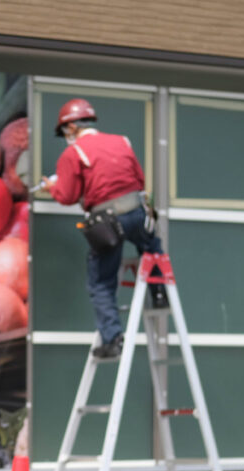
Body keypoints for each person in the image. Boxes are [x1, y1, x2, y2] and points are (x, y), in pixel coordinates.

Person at [41, 98, 166, 359]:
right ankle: (159, 292)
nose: (65, 136)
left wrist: (51, 187)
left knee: (101, 282)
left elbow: (66, 195)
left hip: (108, 224)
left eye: (65, 131)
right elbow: (139, 179)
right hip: (136, 212)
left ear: (71, 127)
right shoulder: (122, 141)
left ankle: (112, 340)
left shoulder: (72, 154)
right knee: (151, 247)